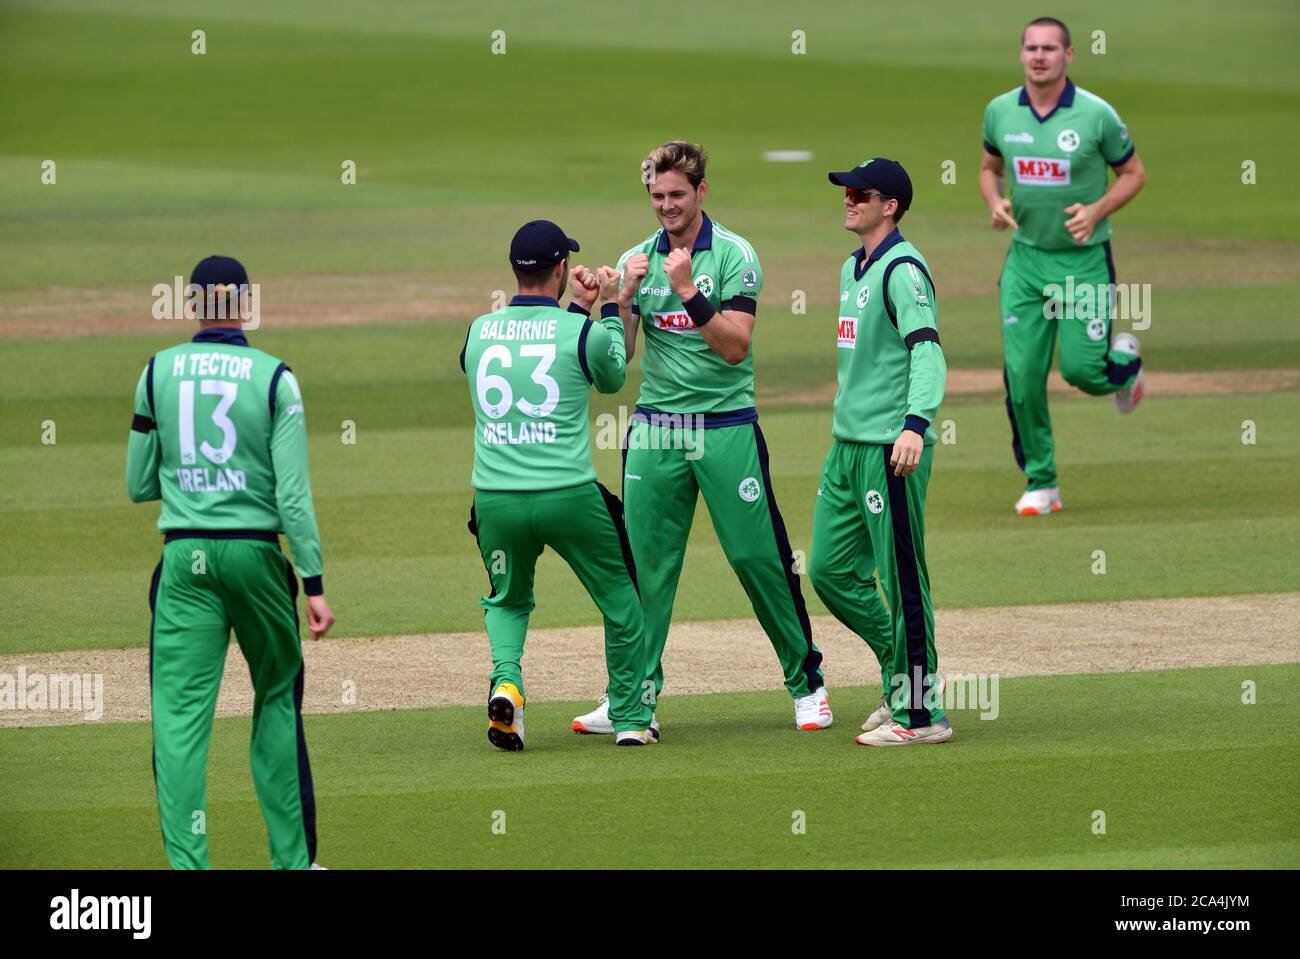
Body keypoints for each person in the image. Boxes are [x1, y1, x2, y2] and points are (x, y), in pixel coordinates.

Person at [572, 141, 829, 737]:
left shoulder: (735, 256)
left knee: (756, 557)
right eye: (657, 196)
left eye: (677, 195)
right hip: (657, 429)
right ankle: (632, 696)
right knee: (645, 568)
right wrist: (621, 300)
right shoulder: (636, 257)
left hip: (725, 427)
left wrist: (688, 289)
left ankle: (807, 684)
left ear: (702, 191)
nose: (666, 206)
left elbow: (736, 346)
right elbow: (622, 359)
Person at [126, 254, 334, 868]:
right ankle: (292, 864)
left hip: (184, 555)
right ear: (245, 305)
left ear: (192, 305)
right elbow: (293, 497)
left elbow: (139, 484)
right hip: (257, 556)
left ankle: (190, 866)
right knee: (274, 700)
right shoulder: (276, 379)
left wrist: (195, 482)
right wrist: (314, 582)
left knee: (179, 721)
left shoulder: (157, 371)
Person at [462, 220, 656, 749]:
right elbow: (611, 373)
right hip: (568, 495)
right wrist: (611, 305)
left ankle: (507, 683)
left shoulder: (479, 331)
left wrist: (576, 311)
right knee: (620, 596)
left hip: (496, 498)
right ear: (562, 269)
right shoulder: (583, 332)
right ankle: (633, 718)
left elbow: (535, 359)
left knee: (507, 600)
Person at [809, 159, 953, 746]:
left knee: (903, 578)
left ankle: (922, 714)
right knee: (829, 570)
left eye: (859, 193)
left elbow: (928, 351)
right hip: (847, 448)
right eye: (845, 191)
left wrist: (915, 425)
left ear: (889, 205)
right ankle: (902, 675)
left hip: (891, 450)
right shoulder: (853, 268)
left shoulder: (903, 270)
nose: (848, 199)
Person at [979, 16, 1148, 516]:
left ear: (1068, 55)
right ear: (1021, 54)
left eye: (1049, 48)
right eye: (1030, 47)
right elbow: (990, 169)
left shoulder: (1096, 116)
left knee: (1083, 372)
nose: (1039, 55)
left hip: (1084, 262)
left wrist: (1097, 210)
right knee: (1023, 375)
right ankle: (1042, 482)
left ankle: (1127, 369)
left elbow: (1134, 174)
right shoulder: (1000, 111)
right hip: (1026, 262)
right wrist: (994, 202)